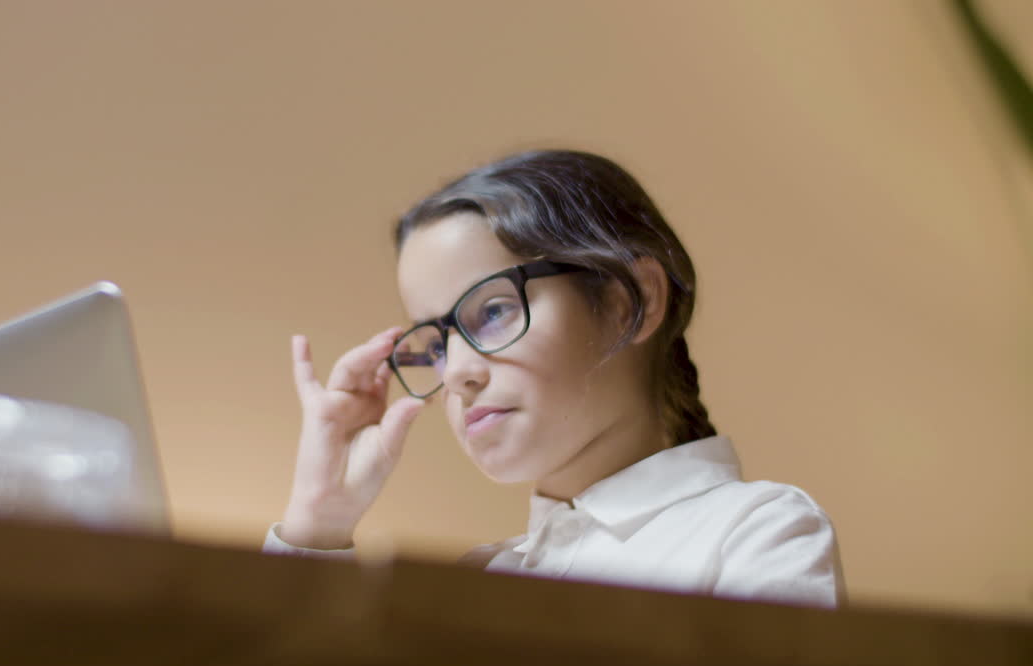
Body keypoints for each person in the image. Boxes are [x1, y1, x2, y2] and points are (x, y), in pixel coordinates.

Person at [264, 149, 843, 608]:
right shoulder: (475, 587)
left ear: (631, 301)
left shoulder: (755, 532)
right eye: (438, 342)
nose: (459, 373)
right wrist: (318, 522)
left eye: (492, 312)